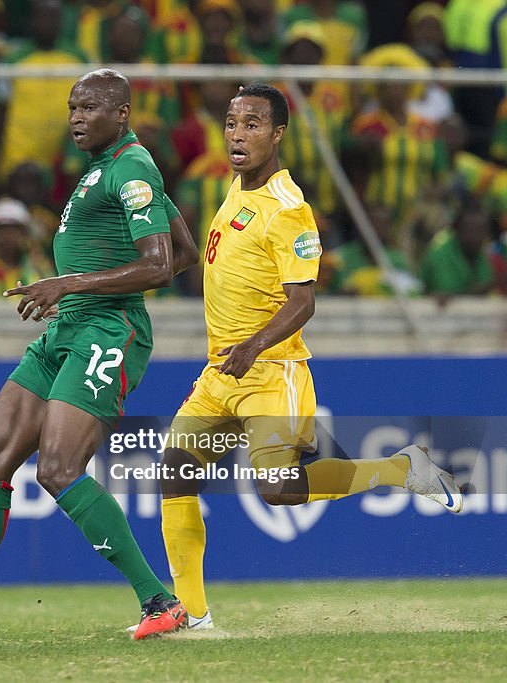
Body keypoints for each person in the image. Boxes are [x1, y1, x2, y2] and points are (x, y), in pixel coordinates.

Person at [0, 69, 199, 643]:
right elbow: (185, 250)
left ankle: (162, 602)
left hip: (108, 329)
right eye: (73, 107)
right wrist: (72, 293)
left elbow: (160, 266)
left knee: (58, 469)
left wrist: (69, 283)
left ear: (122, 113)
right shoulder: (111, 168)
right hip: (67, 330)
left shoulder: (130, 166)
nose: (77, 117)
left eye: (90, 107)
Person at [155, 83, 465, 634]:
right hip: (219, 374)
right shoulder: (234, 190)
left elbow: (304, 301)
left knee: (277, 489)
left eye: (252, 124)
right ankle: (193, 618)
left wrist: (252, 345)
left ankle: (400, 468)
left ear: (278, 134)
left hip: (273, 372)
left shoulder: (289, 210)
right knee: (175, 474)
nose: (237, 135)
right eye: (231, 123)